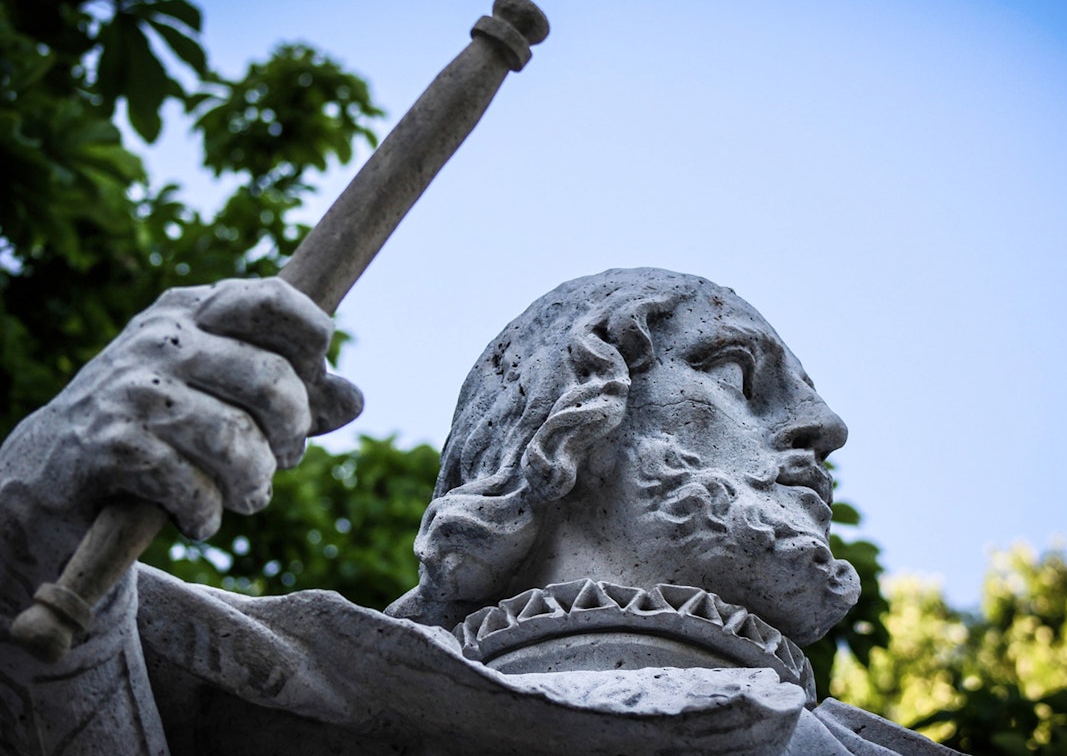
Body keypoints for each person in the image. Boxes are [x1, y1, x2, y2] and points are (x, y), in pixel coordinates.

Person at [0, 268, 957, 755]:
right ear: (566, 423)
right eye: (736, 373)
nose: (822, 429)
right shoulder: (276, 706)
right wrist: (33, 519)